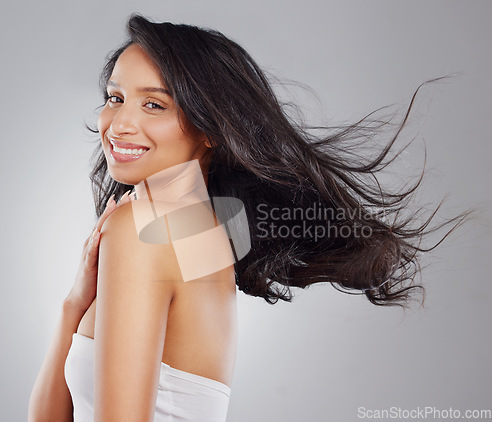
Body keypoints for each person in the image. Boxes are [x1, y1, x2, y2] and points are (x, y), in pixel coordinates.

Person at [28, 13, 470, 422]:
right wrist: (74, 303)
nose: (119, 123)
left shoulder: (143, 232)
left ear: (210, 130)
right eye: (115, 97)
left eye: (154, 105)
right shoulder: (213, 230)